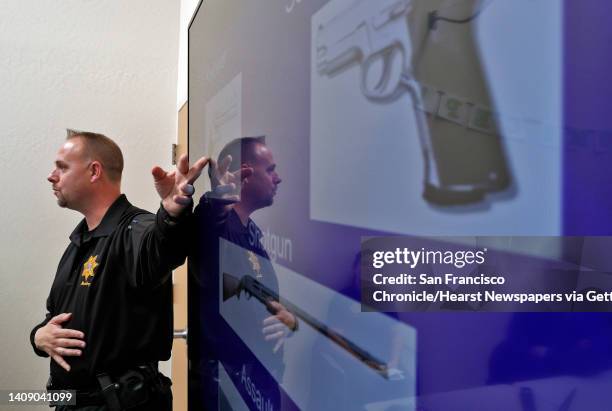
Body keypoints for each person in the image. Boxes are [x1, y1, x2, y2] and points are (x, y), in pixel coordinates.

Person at [30, 130, 208, 411]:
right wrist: (38, 337)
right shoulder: (78, 243)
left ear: (94, 171)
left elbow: (161, 247)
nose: (52, 176)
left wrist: (173, 214)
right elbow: (54, 318)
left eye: (62, 167)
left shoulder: (134, 230)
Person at [189, 136, 296, 410]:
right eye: (270, 170)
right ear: (246, 175)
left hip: (256, 383)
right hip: (225, 388)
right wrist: (217, 200)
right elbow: (206, 225)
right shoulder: (218, 228)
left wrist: (288, 321)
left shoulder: (251, 232)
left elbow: (259, 301)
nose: (278, 178)